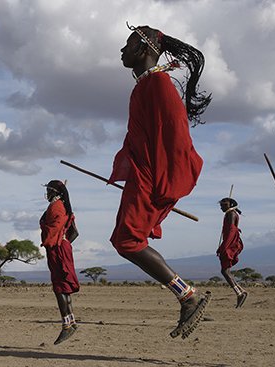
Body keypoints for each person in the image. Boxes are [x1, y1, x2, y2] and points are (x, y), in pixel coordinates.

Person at [108, 24, 212, 339]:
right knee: (124, 240)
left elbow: (177, 139)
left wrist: (162, 184)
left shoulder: (159, 85)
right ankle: (186, 295)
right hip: (143, 177)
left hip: (151, 179)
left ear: (143, 49)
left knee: (127, 241)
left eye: (127, 45)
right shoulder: (145, 86)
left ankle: (188, 296)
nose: (122, 51)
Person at [40, 180, 81, 345]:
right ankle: (71, 321)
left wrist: (56, 242)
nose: (47, 194)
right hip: (63, 247)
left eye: (48, 190)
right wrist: (65, 242)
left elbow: (51, 229)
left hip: (57, 248)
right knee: (63, 287)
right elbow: (75, 232)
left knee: (59, 287)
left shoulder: (56, 207)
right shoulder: (64, 206)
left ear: (53, 192)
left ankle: (67, 325)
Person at [216, 198, 248, 308]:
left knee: (224, 271)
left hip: (230, 244)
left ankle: (239, 293)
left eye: (224, 205)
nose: (221, 207)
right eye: (221, 205)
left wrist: (224, 247)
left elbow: (231, 231)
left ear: (230, 204)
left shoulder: (231, 214)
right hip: (229, 243)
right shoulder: (230, 214)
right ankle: (241, 291)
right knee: (225, 270)